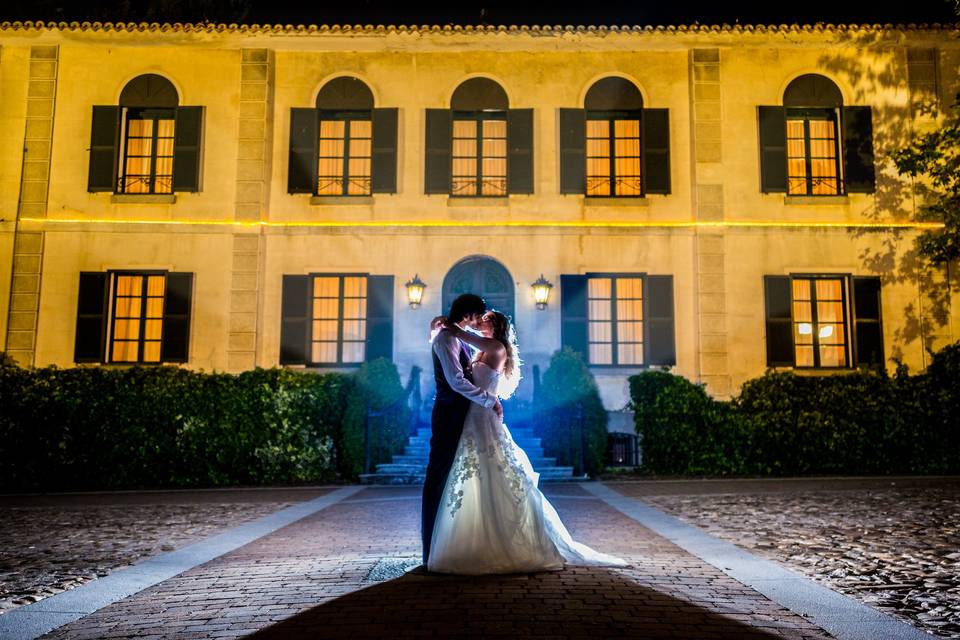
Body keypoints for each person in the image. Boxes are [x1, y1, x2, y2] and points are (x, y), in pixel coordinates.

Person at [427, 309, 629, 575]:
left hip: (484, 415)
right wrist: (440, 326)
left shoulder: (496, 347)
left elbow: (467, 336)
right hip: (473, 416)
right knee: (475, 475)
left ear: (496, 326)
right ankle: (478, 539)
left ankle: (508, 542)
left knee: (495, 471)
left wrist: (453, 327)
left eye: (485, 321)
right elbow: (464, 343)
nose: (479, 324)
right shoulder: (482, 347)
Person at [419, 294, 503, 569]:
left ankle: (446, 544)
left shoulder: (457, 335)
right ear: (468, 314)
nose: (480, 321)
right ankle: (430, 550)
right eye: (478, 316)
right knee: (438, 476)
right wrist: (490, 400)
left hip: (463, 415)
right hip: (448, 414)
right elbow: (455, 381)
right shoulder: (446, 338)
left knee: (452, 477)